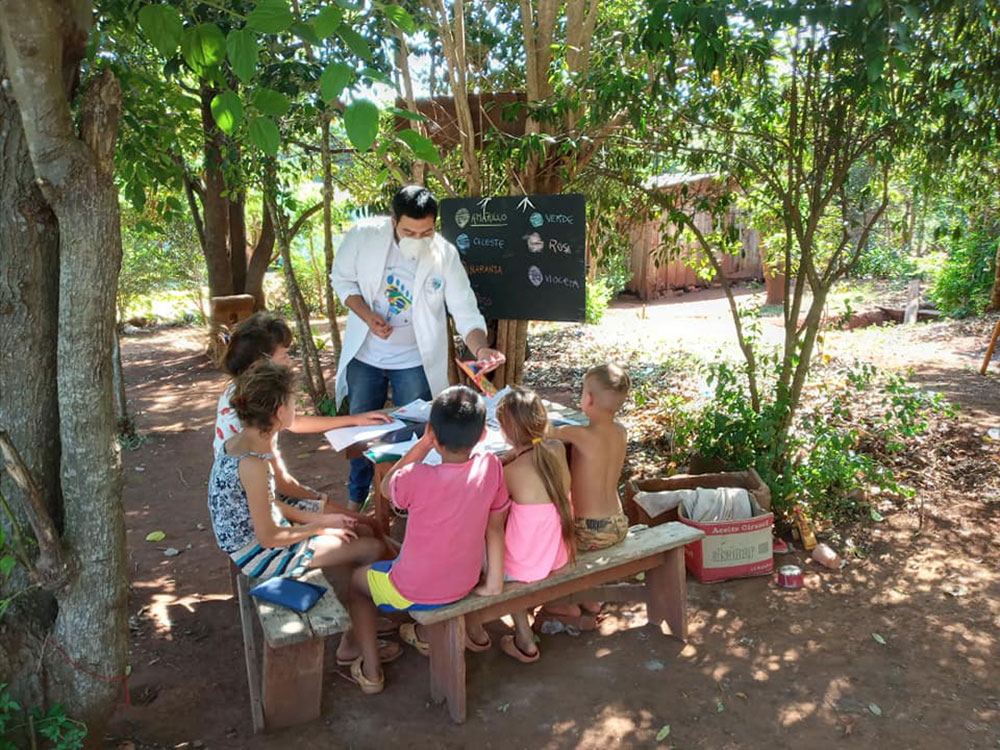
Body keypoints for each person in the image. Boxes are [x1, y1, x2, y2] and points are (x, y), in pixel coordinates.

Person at [207, 361, 401, 671]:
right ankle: (354, 639)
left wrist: (321, 521)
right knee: (370, 547)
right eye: (293, 401)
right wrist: (319, 529)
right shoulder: (253, 463)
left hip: (265, 529)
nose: (297, 407)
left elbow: (268, 503)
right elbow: (269, 536)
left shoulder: (247, 441)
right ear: (279, 411)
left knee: (359, 529)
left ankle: (366, 617)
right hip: (257, 552)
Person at [331, 186, 504, 511]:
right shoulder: (364, 236)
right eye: (409, 232)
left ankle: (407, 503)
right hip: (365, 356)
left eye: (426, 232)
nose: (418, 239)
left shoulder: (444, 255)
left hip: (414, 361)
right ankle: (357, 500)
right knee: (360, 433)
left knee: (416, 434)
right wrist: (367, 316)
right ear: (393, 221)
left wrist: (481, 349)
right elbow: (342, 280)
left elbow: (465, 310)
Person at [346, 386, 510, 692]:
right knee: (394, 550)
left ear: (433, 432)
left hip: (413, 588)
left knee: (356, 582)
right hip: (466, 580)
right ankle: (422, 635)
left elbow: (386, 488)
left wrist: (423, 444)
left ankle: (371, 670)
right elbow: (495, 527)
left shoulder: (417, 477)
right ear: (483, 435)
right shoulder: (490, 467)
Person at [213, 311, 389, 512]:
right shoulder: (254, 421)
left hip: (260, 495)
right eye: (284, 355)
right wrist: (322, 502)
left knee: (343, 517)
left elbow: (293, 422)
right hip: (255, 505)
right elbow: (282, 485)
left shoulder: (245, 393)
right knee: (352, 523)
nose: (290, 362)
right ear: (260, 363)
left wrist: (354, 420)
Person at [468, 386, 575, 663]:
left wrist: (501, 463)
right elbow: (534, 460)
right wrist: (512, 456)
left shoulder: (508, 472)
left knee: (479, 540)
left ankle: (487, 630)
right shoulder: (557, 449)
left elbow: (490, 522)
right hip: (559, 553)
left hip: (526, 564)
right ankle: (523, 635)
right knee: (514, 544)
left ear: (504, 431)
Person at [539, 363, 632, 630]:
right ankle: (589, 598)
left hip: (589, 531)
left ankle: (560, 603)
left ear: (588, 399)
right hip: (618, 523)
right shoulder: (621, 431)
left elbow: (544, 431)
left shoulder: (579, 434)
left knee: (547, 537)